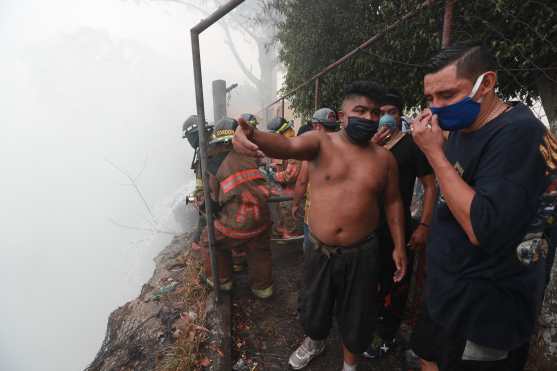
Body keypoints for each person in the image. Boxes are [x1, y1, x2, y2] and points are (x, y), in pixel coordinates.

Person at [233, 81, 407, 371]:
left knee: (358, 313)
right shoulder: (320, 143)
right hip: (319, 248)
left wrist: (400, 245)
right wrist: (253, 134)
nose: (368, 118)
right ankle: (314, 341)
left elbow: (393, 203)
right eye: (360, 110)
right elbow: (287, 144)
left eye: (374, 113)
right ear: (342, 116)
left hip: (362, 252)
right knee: (315, 304)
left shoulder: (385, 159)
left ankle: (350, 365)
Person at [409, 42, 555, 371]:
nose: (435, 108)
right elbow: (465, 176)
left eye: (446, 95)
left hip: (484, 308)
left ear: (486, 84)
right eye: (430, 98)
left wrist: (433, 153)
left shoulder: (521, 135)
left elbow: (482, 228)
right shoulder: (466, 126)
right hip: (448, 291)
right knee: (428, 357)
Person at [363, 91, 437, 360]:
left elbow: (430, 186)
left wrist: (424, 225)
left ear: (400, 114)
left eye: (391, 111)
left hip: (400, 228)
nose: (384, 117)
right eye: (379, 111)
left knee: (397, 283)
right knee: (370, 280)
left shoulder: (411, 146)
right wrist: (371, 147)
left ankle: (388, 335)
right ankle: (368, 326)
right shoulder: (366, 145)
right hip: (368, 227)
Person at [199, 117, 274, 299]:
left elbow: (213, 199)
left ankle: (223, 281)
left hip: (237, 223)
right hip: (262, 218)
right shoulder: (253, 156)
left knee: (209, 240)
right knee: (259, 249)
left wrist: (204, 206)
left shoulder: (214, 164)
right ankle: (263, 288)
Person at [292, 107, 340, 248]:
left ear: (317, 126)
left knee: (313, 253)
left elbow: (302, 181)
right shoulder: (347, 147)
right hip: (340, 214)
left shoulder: (314, 150)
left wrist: (295, 204)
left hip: (316, 215)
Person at [267, 116, 303, 239]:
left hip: (297, 187)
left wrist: (273, 175)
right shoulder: (285, 144)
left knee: (284, 201)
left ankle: (291, 232)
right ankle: (281, 226)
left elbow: (290, 175)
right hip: (288, 185)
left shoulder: (295, 147)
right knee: (275, 194)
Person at [181, 114, 213, 251]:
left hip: (214, 194)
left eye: (188, 138)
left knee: (193, 202)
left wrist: (195, 197)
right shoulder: (207, 145)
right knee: (189, 200)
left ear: (193, 135)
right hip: (215, 191)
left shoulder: (205, 150)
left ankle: (199, 240)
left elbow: (202, 192)